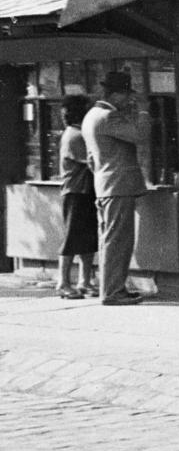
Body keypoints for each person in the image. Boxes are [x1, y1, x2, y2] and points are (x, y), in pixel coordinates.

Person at [82, 71, 150, 306]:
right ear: (118, 94)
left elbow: (91, 159)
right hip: (118, 185)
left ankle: (113, 288)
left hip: (105, 184)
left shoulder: (91, 115)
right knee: (118, 240)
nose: (129, 100)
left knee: (111, 239)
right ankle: (112, 291)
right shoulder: (109, 116)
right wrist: (143, 109)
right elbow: (141, 135)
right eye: (127, 95)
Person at [54, 95, 98, 299]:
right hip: (76, 192)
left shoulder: (76, 132)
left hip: (84, 191)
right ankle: (63, 282)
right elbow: (93, 161)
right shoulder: (76, 136)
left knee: (88, 239)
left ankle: (84, 281)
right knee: (72, 238)